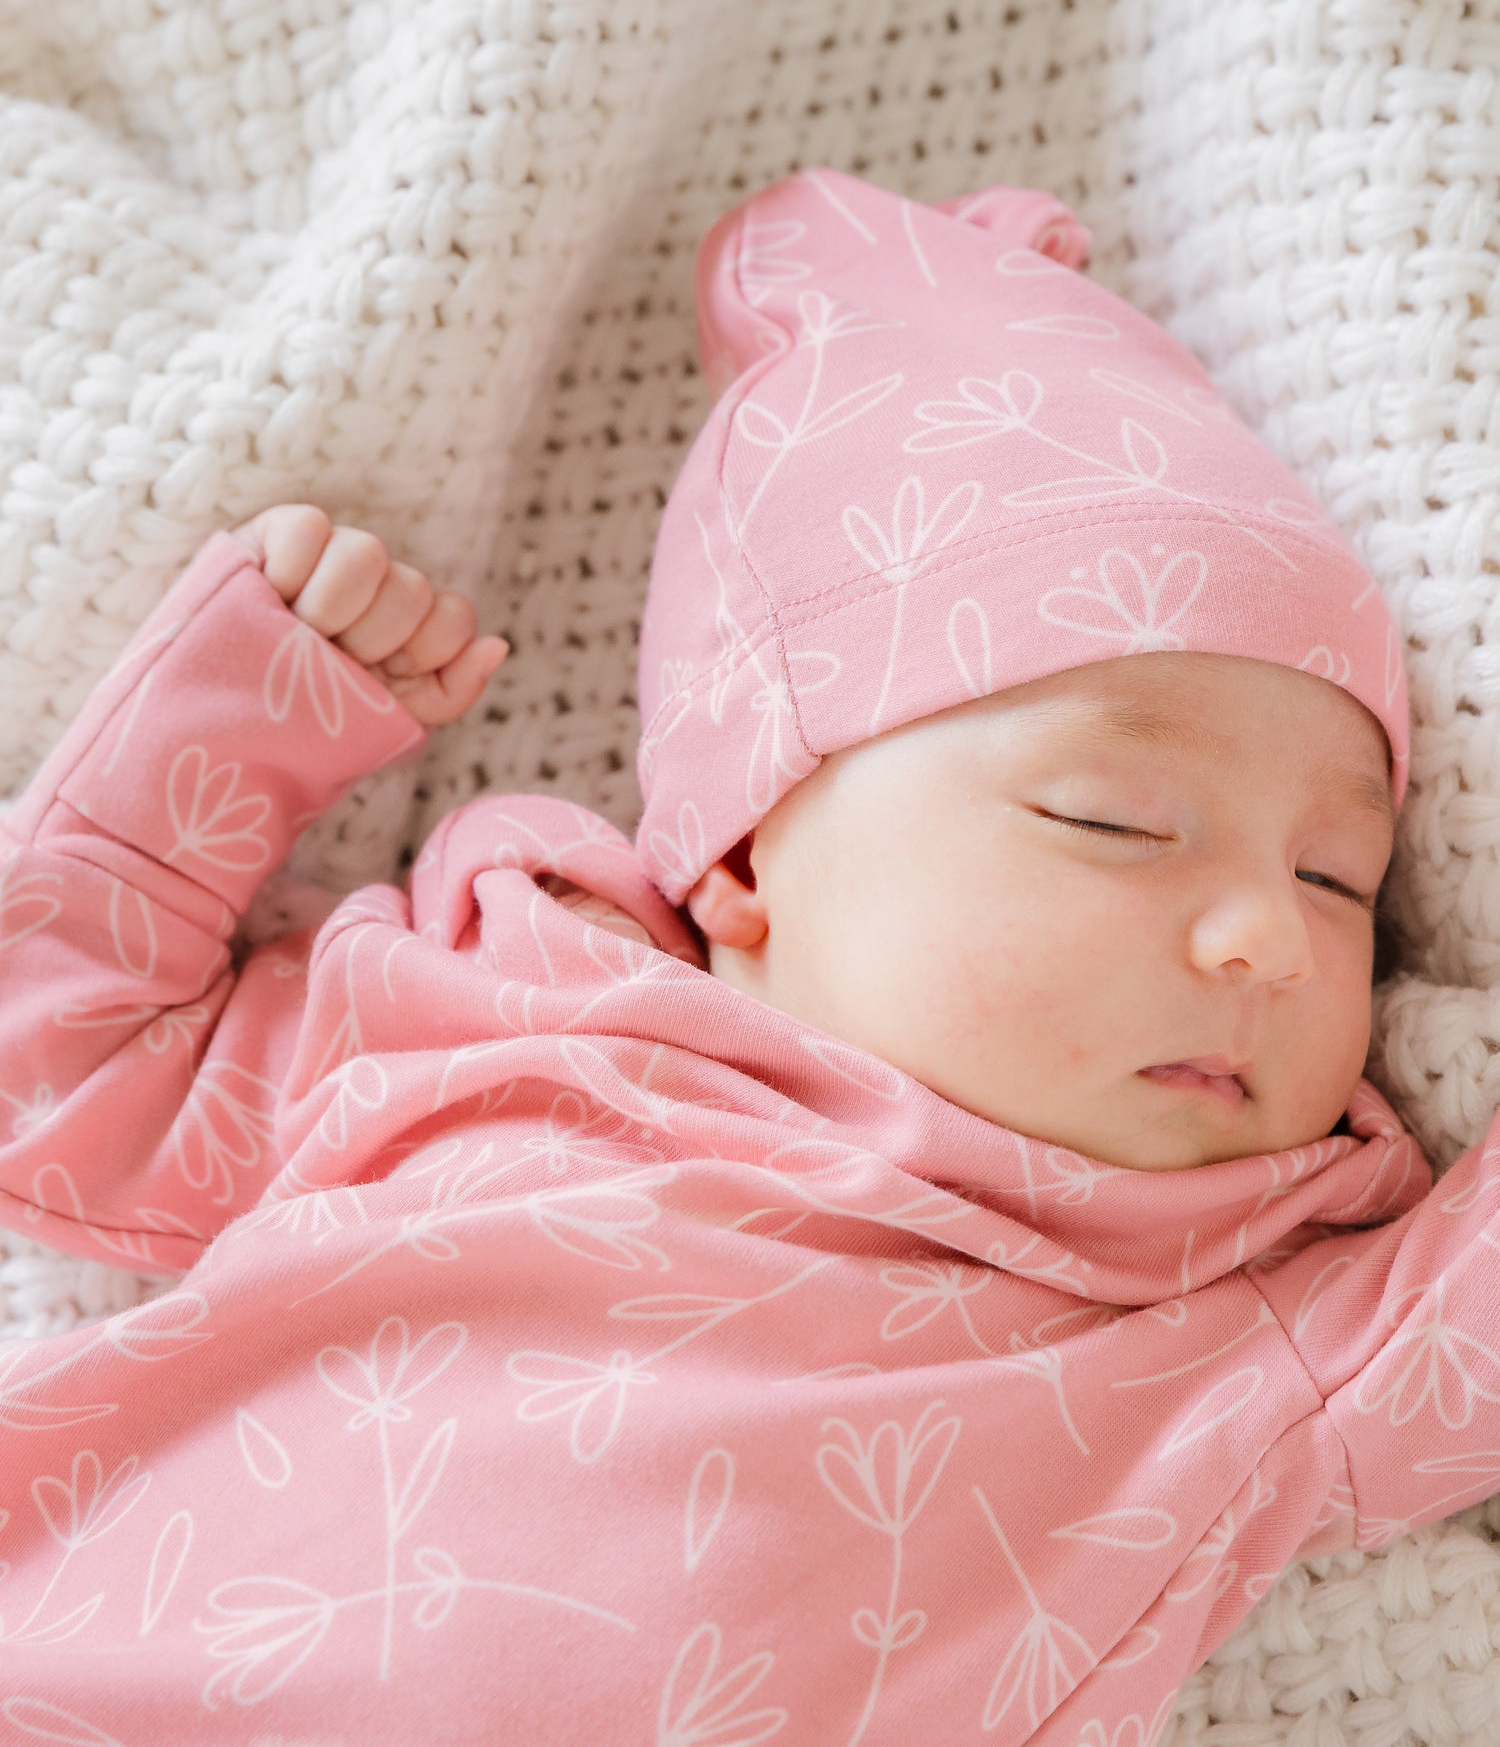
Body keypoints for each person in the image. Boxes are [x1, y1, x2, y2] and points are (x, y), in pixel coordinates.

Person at [0, 169, 1472, 1747]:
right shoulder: (504, 1017)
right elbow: (60, 1076)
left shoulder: (1239, 1320)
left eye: (1338, 879)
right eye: (1111, 822)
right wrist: (240, 705)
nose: (1264, 939)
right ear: (748, 852)